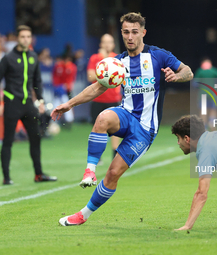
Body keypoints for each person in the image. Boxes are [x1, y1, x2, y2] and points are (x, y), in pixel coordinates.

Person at [51, 12, 193, 226]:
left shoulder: (158, 55)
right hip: (125, 115)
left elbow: (188, 71)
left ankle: (83, 215)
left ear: (143, 33)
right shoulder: (117, 62)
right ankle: (90, 170)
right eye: (126, 32)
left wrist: (177, 76)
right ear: (122, 33)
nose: (130, 36)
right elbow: (98, 87)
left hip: (145, 129)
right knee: (103, 117)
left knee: (113, 174)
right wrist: (69, 104)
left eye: (135, 32)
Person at [0, 25, 57, 184]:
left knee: (36, 138)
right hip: (12, 103)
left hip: (28, 105)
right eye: (23, 36)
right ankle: (6, 177)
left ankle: (39, 174)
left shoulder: (33, 56)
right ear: (17, 38)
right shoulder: (8, 58)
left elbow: (37, 81)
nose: (26, 39)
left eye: (28, 36)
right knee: (8, 141)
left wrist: (40, 100)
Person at [87, 34, 122, 160]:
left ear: (113, 44)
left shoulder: (117, 58)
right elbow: (90, 76)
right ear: (100, 44)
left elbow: (119, 76)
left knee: (115, 128)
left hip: (113, 98)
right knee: (96, 127)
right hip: (97, 98)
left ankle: (114, 152)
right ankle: (97, 154)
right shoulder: (95, 58)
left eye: (110, 42)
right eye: (104, 42)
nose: (107, 44)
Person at [194, 58, 217, 130]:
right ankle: (212, 123)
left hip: (203, 95)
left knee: (203, 111)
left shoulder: (200, 71)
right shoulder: (214, 70)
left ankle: (204, 126)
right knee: (213, 110)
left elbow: (195, 83)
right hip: (213, 94)